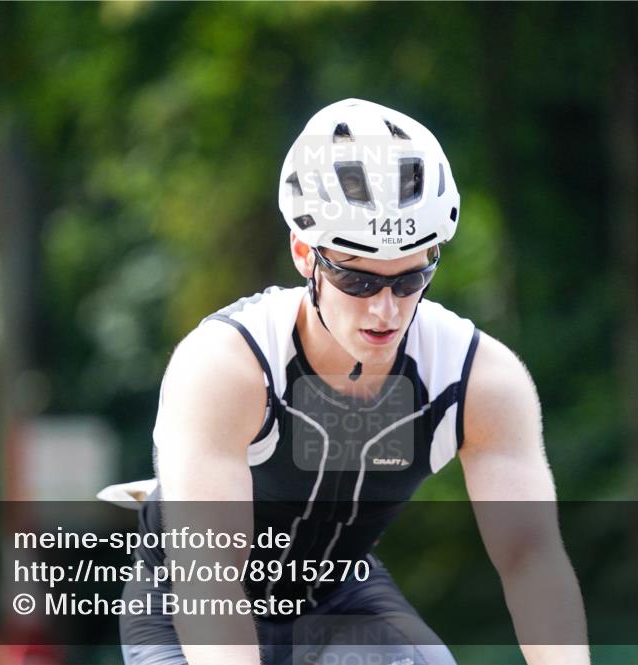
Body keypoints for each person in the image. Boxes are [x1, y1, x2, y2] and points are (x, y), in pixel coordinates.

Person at [119, 99, 590, 665]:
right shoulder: (226, 366)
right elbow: (210, 586)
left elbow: (530, 557)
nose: (385, 311)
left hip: (338, 597)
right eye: (356, 278)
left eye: (411, 277)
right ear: (303, 253)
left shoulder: (479, 380)